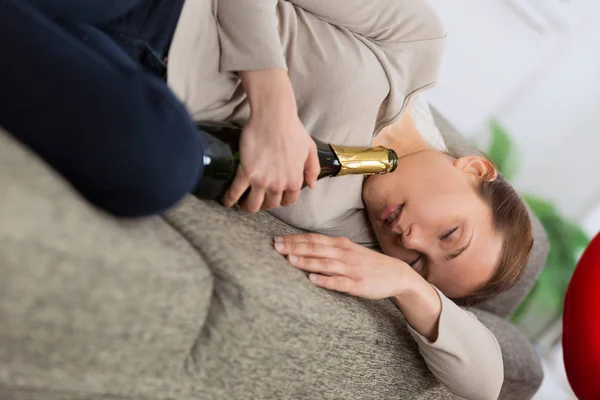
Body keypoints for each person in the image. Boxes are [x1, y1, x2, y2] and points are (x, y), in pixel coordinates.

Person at [0, 1, 534, 399]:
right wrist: (271, 100)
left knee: (158, 167)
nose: (411, 239)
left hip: (127, 78)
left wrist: (408, 284)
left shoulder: (355, 226)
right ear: (474, 168)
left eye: (421, 262)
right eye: (451, 235)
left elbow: (486, 382)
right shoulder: (413, 49)